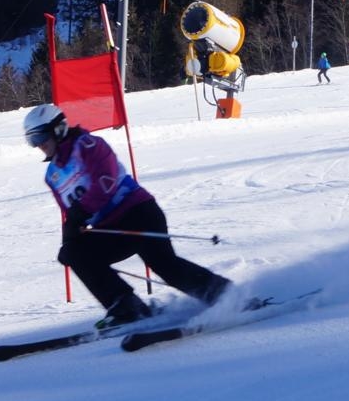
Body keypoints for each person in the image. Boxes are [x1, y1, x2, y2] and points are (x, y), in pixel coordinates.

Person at [24, 104, 231, 329]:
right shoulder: (52, 175)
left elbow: (106, 181)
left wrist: (81, 211)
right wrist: (71, 234)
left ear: (58, 129)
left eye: (41, 136)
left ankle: (226, 296)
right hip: (109, 229)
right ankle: (126, 306)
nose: (39, 145)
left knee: (165, 266)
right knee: (73, 252)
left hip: (138, 213)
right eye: (33, 140)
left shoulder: (88, 145)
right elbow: (69, 211)